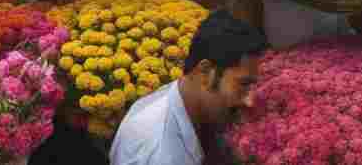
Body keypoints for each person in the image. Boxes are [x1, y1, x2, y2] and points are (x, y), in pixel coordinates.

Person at [110, 10, 266, 165]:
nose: (250, 100)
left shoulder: (182, 100)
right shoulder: (163, 153)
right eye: (243, 84)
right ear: (205, 71)